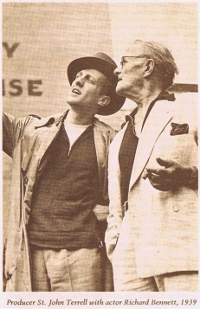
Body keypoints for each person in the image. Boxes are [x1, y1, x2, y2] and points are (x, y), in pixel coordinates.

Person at [3, 52, 125, 292]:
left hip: (84, 253)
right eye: (78, 76)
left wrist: (109, 208)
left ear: (103, 100)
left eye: (89, 80)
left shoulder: (113, 140)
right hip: (31, 252)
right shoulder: (31, 131)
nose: (77, 81)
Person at [105, 40, 198, 292]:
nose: (117, 70)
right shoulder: (122, 132)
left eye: (123, 62)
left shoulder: (191, 108)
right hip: (129, 254)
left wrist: (190, 176)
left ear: (147, 66)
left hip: (181, 248)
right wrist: (116, 238)